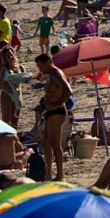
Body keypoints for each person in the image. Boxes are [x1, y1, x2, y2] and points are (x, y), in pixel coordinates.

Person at [36, 52, 72, 181]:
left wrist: (57, 103)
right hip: (50, 111)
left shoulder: (56, 73)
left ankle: (60, 174)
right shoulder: (50, 75)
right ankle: (49, 172)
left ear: (48, 62)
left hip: (57, 111)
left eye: (41, 66)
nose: (40, 69)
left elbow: (68, 90)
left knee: (55, 143)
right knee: (46, 143)